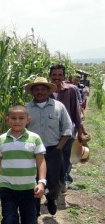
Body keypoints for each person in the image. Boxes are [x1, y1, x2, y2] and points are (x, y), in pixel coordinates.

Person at [24, 76, 72, 216]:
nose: (40, 92)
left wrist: (59, 148)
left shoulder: (58, 107)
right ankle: (35, 208)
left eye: (43, 89)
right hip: (32, 151)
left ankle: (51, 199)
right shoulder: (26, 109)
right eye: (37, 89)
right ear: (32, 92)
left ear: (48, 90)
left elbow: (67, 129)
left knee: (54, 180)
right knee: (33, 179)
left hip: (52, 149)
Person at [48, 65, 86, 187]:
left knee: (66, 156)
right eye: (54, 75)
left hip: (68, 130)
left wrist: (80, 131)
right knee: (52, 156)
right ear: (50, 76)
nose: (57, 78)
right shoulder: (45, 90)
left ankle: (63, 179)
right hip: (50, 131)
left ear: (64, 76)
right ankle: (53, 181)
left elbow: (76, 110)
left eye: (60, 75)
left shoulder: (71, 90)